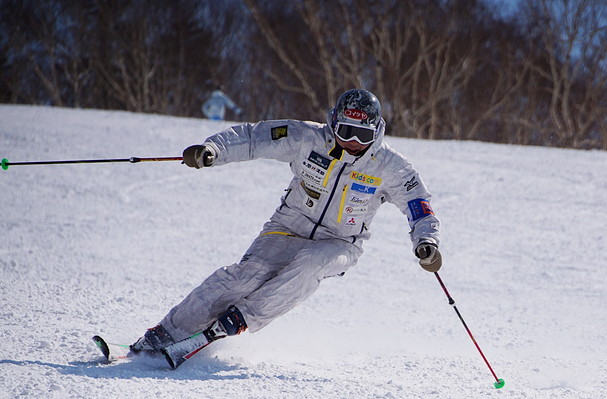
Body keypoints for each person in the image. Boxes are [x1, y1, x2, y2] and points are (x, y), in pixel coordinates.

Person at [131, 88, 442, 352]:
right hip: (287, 228)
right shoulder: (306, 137)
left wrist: (426, 241)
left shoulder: (390, 166)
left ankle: (239, 321)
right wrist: (213, 150)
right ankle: (165, 334)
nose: (352, 142)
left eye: (362, 135)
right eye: (346, 131)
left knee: (310, 265)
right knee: (246, 275)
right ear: (333, 122)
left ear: (376, 133)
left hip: (340, 243)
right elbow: (254, 137)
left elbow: (418, 204)